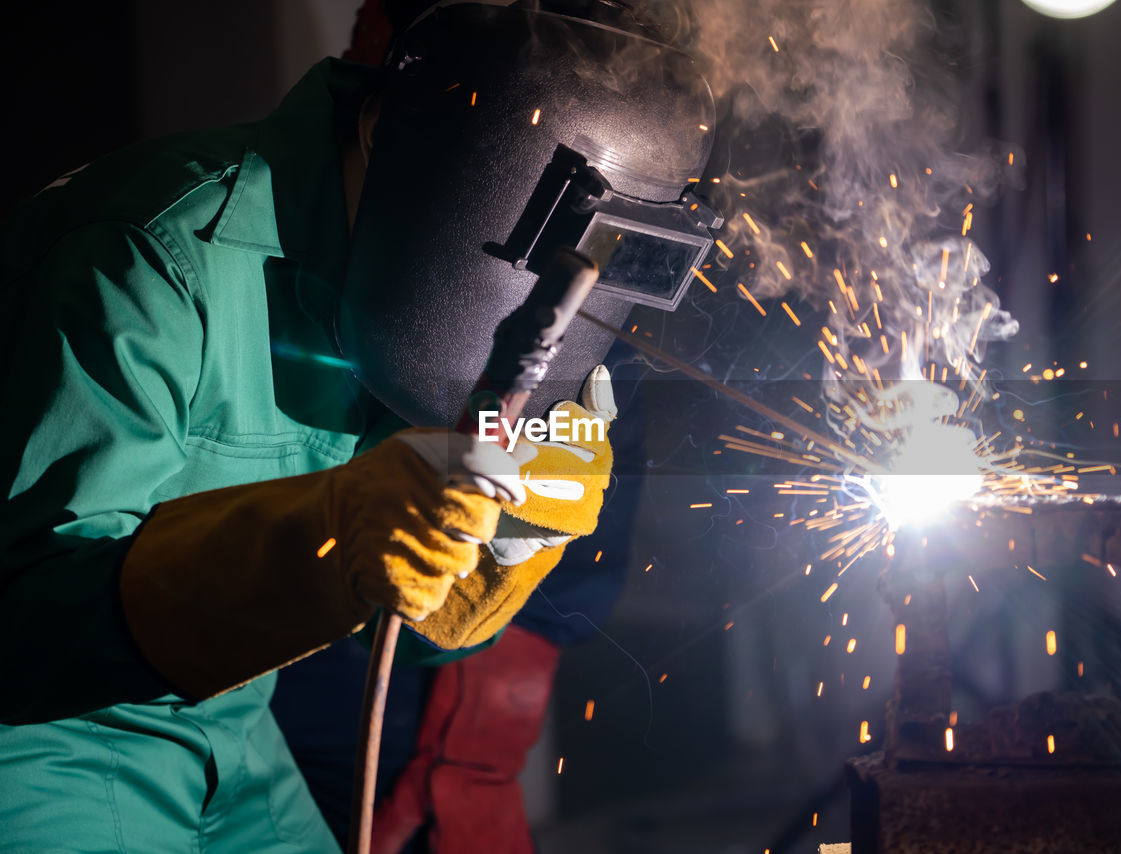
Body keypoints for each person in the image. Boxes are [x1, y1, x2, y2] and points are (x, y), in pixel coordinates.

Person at [0, 1, 719, 851]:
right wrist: (326, 532)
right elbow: (26, 620)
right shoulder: (143, 258)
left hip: (232, 723)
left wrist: (502, 545)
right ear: (399, 132)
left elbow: (405, 643)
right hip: (44, 733)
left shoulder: (409, 299)